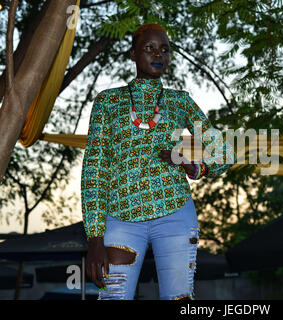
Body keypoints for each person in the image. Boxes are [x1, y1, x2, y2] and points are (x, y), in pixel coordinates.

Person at [80, 23, 235, 300]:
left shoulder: (180, 102)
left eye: (164, 49)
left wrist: (195, 166)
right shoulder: (108, 102)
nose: (158, 54)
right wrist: (94, 238)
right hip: (120, 218)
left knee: (179, 299)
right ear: (132, 54)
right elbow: (95, 170)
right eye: (149, 47)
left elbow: (225, 152)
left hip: (175, 213)